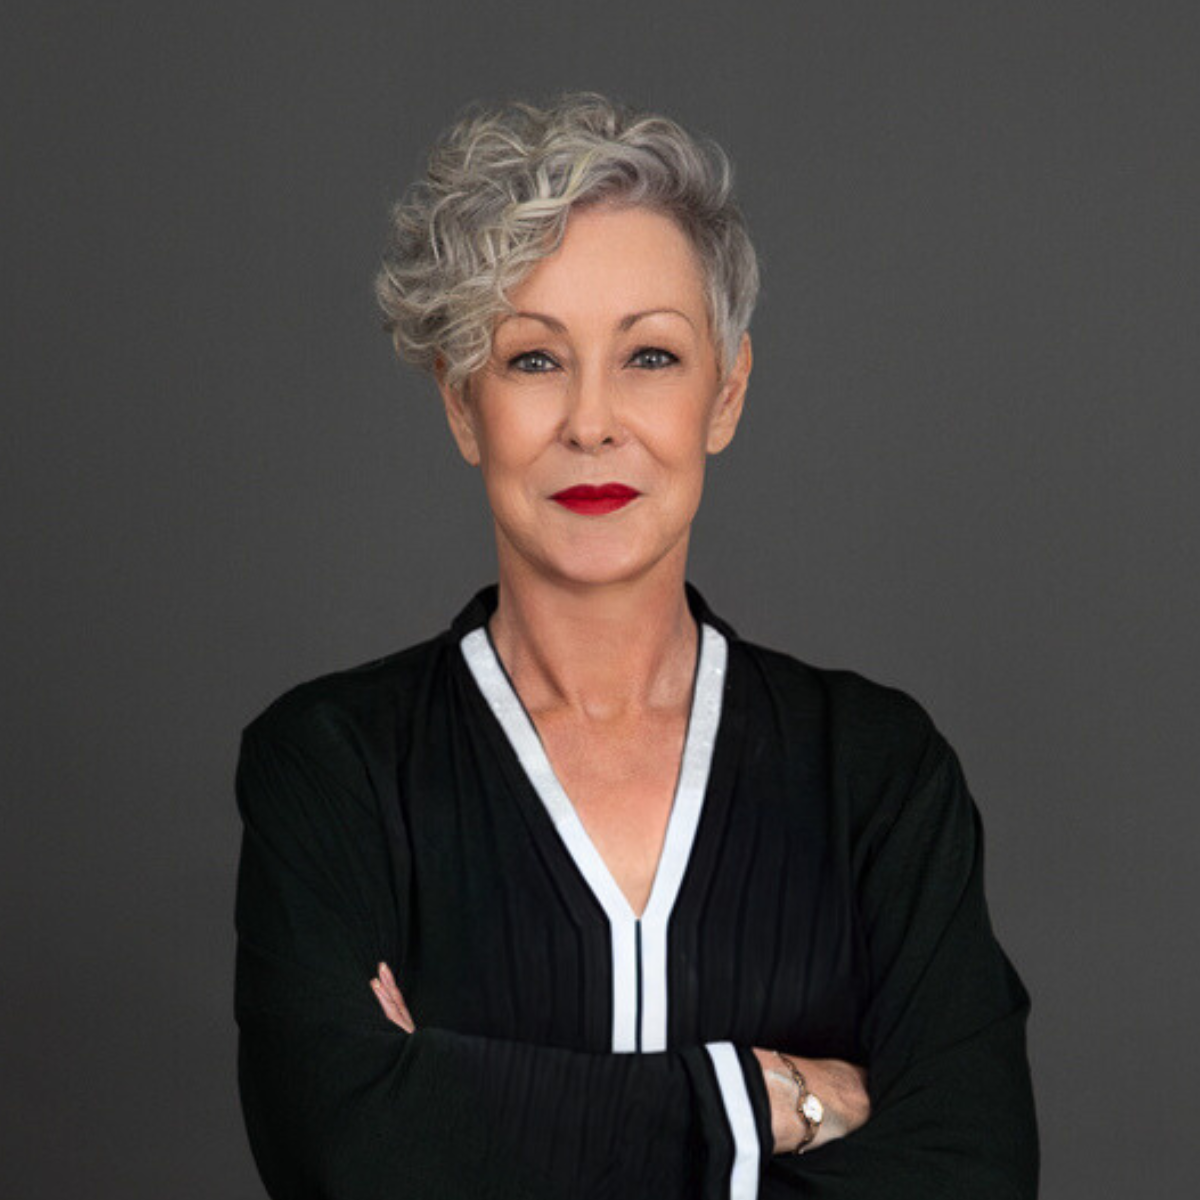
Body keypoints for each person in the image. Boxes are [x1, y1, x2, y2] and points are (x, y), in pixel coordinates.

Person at [233, 91, 1039, 1200]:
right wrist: (763, 1102)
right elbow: (348, 1150)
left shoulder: (876, 776)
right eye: (533, 360)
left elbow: (974, 1170)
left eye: (651, 356)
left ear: (727, 393)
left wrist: (461, 1105)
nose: (593, 421)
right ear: (462, 408)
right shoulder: (336, 768)